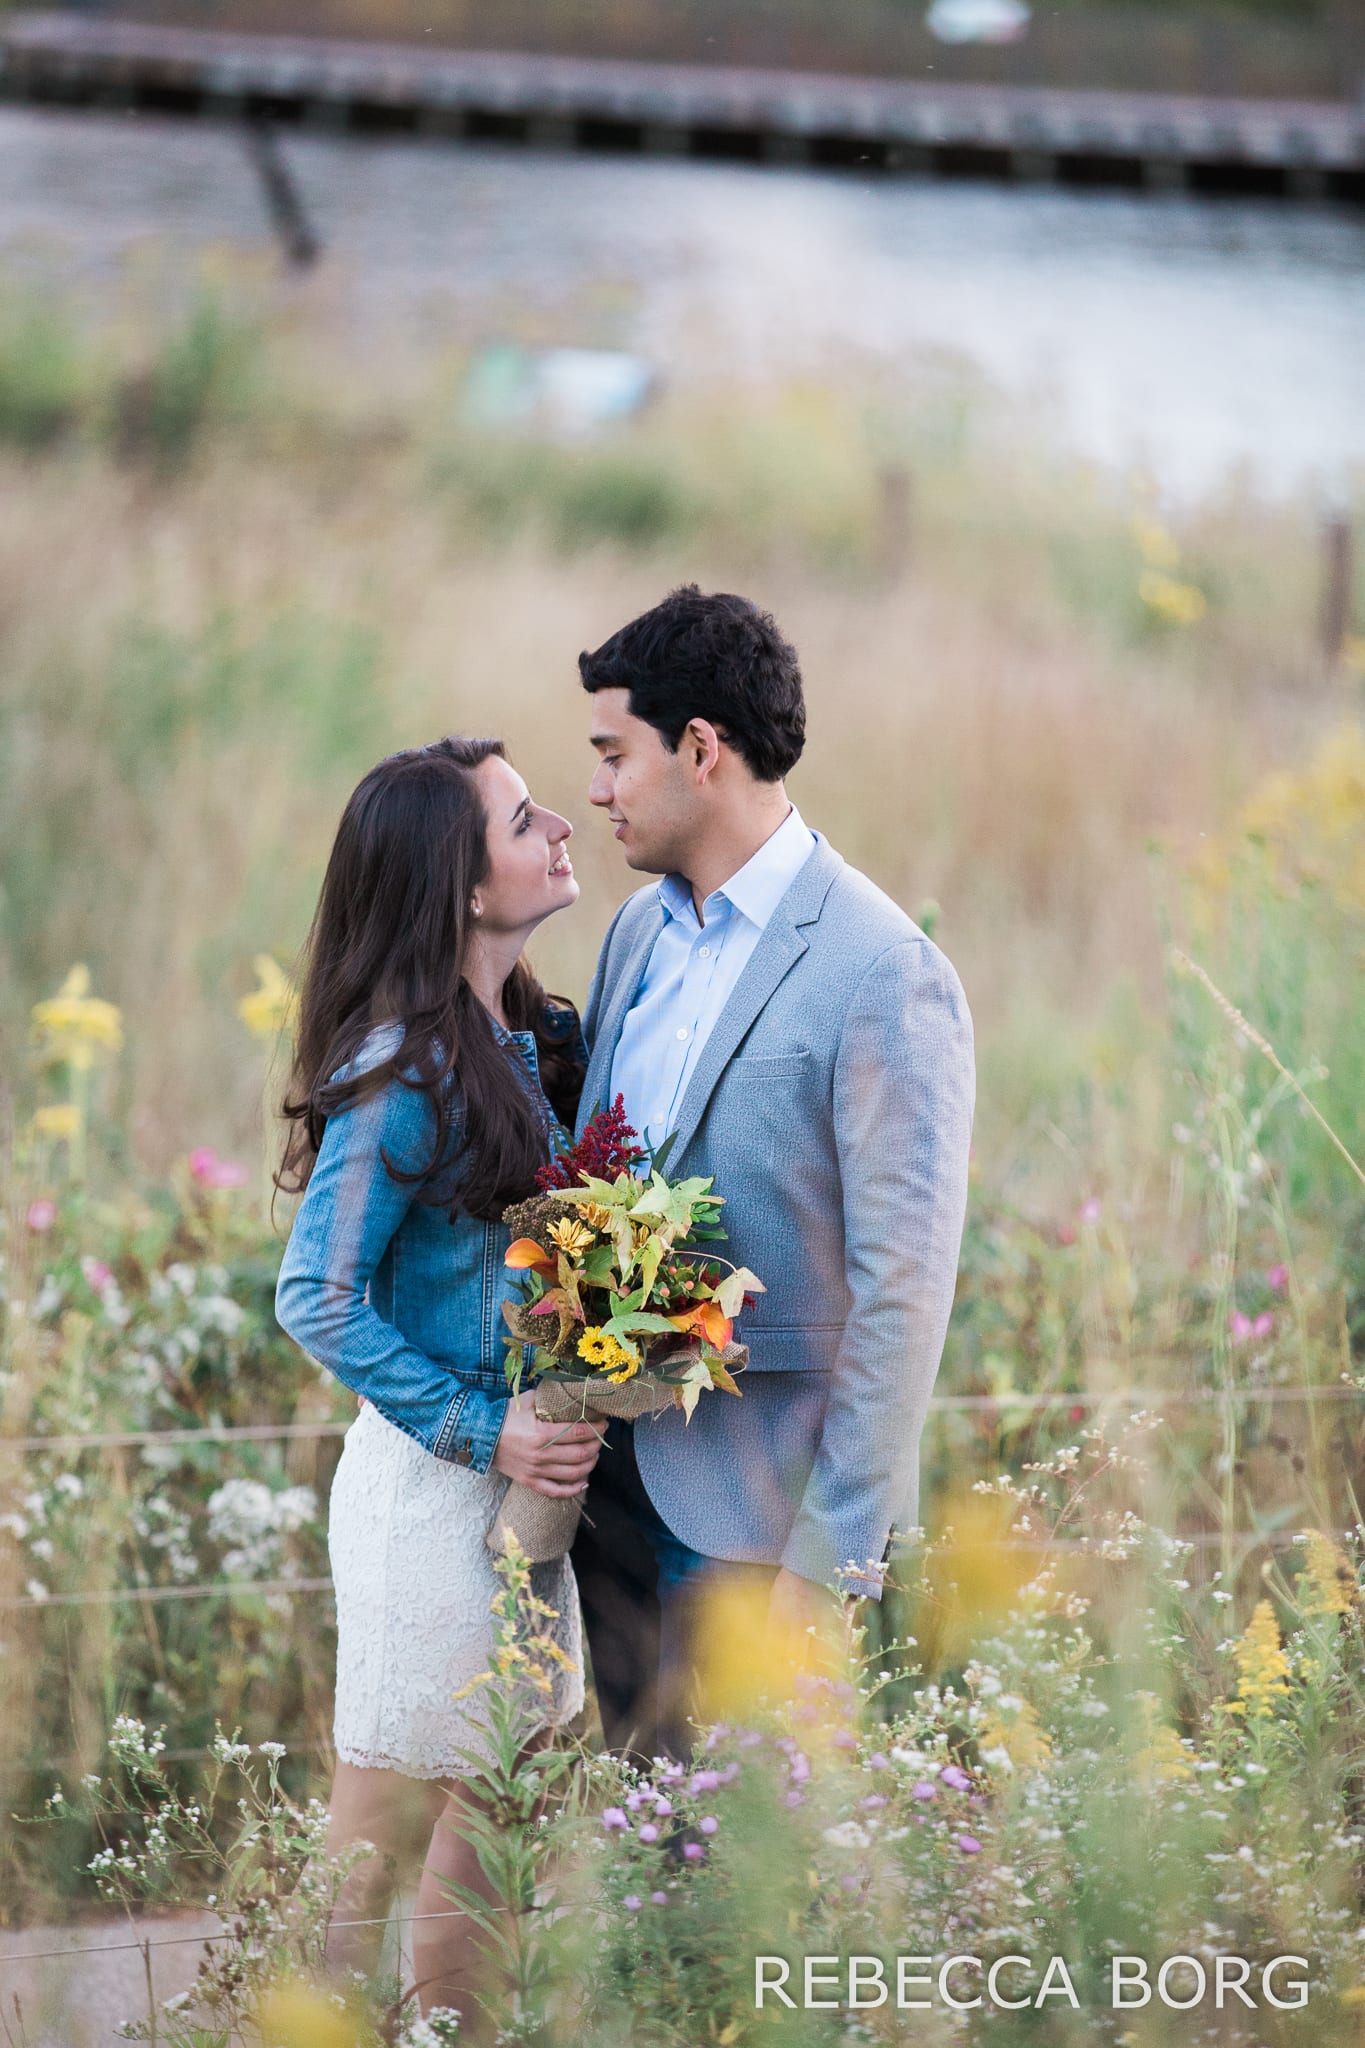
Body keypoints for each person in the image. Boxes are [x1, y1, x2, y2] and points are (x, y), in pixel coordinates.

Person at [569, 585, 976, 1762]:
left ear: (700, 749)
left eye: (613, 754)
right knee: (646, 1854)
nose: (595, 788)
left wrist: (830, 1563)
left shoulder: (883, 970)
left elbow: (904, 1290)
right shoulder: (635, 934)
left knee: (753, 1888)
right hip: (613, 1490)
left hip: (759, 1525)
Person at [273, 736, 601, 2026]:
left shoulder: (527, 1032)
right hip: (433, 1490)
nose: (562, 823)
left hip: (523, 1498)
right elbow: (315, 1293)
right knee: (387, 1812)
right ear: (465, 886)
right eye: (526, 818)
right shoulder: (402, 1068)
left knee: (501, 1804)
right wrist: (487, 1427)